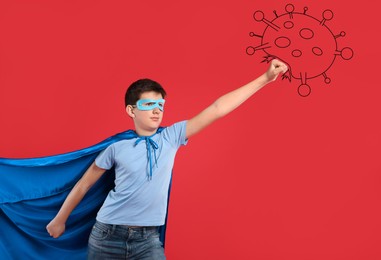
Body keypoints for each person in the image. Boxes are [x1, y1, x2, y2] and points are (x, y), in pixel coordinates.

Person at [46, 59, 288, 259]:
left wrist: (264, 79)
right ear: (131, 110)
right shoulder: (116, 148)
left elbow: (217, 109)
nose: (156, 110)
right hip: (107, 235)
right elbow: (84, 185)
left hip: (147, 239)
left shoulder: (171, 137)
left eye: (160, 105)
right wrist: (59, 219)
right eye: (149, 104)